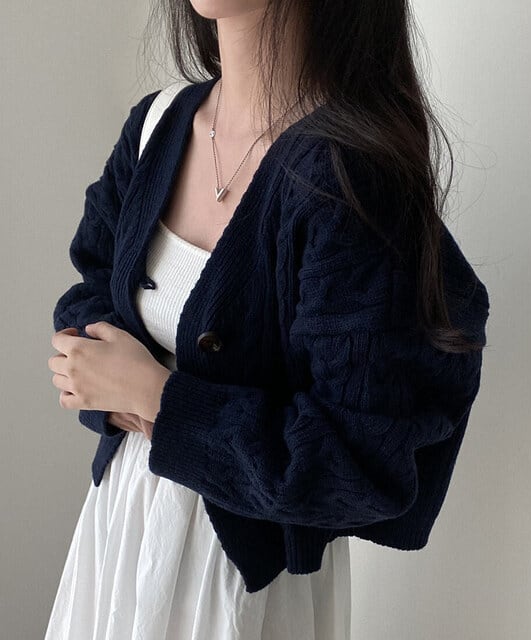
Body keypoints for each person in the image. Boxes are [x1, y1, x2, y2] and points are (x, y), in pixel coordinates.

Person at [45, 0, 490, 638]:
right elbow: (89, 294)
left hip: (238, 579)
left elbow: (356, 461)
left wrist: (156, 398)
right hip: (120, 530)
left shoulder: (351, 178)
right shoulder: (156, 126)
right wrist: (111, 389)